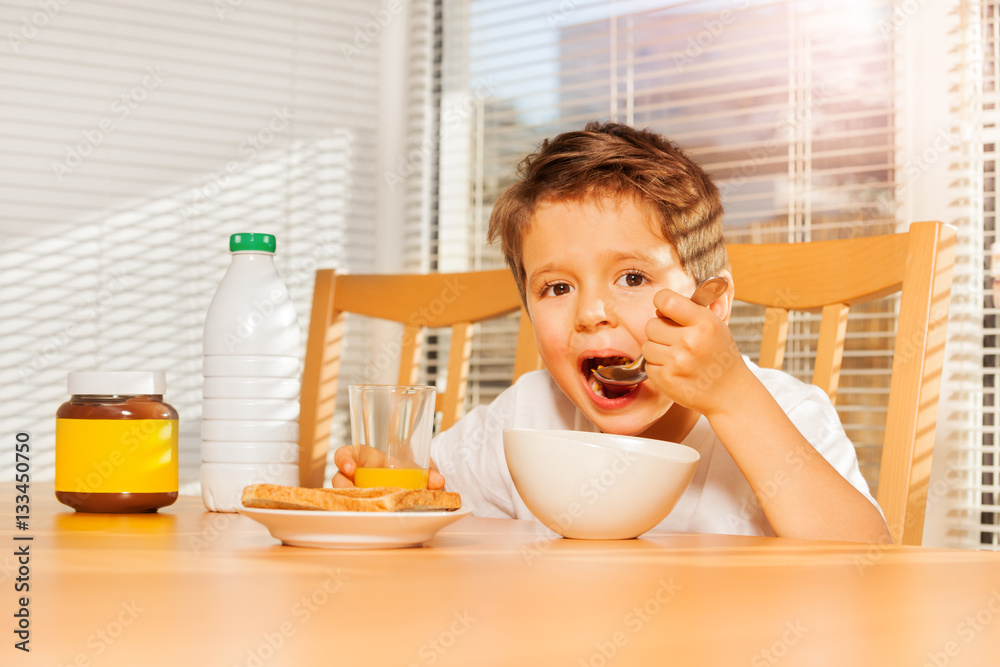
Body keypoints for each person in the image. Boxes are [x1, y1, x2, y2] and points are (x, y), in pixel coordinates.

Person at [335, 121, 891, 543]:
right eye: (556, 288)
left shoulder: (783, 414)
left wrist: (733, 398)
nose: (591, 312)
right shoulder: (527, 415)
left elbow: (865, 563)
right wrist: (385, 500)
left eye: (631, 277)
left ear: (713, 304)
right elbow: (429, 510)